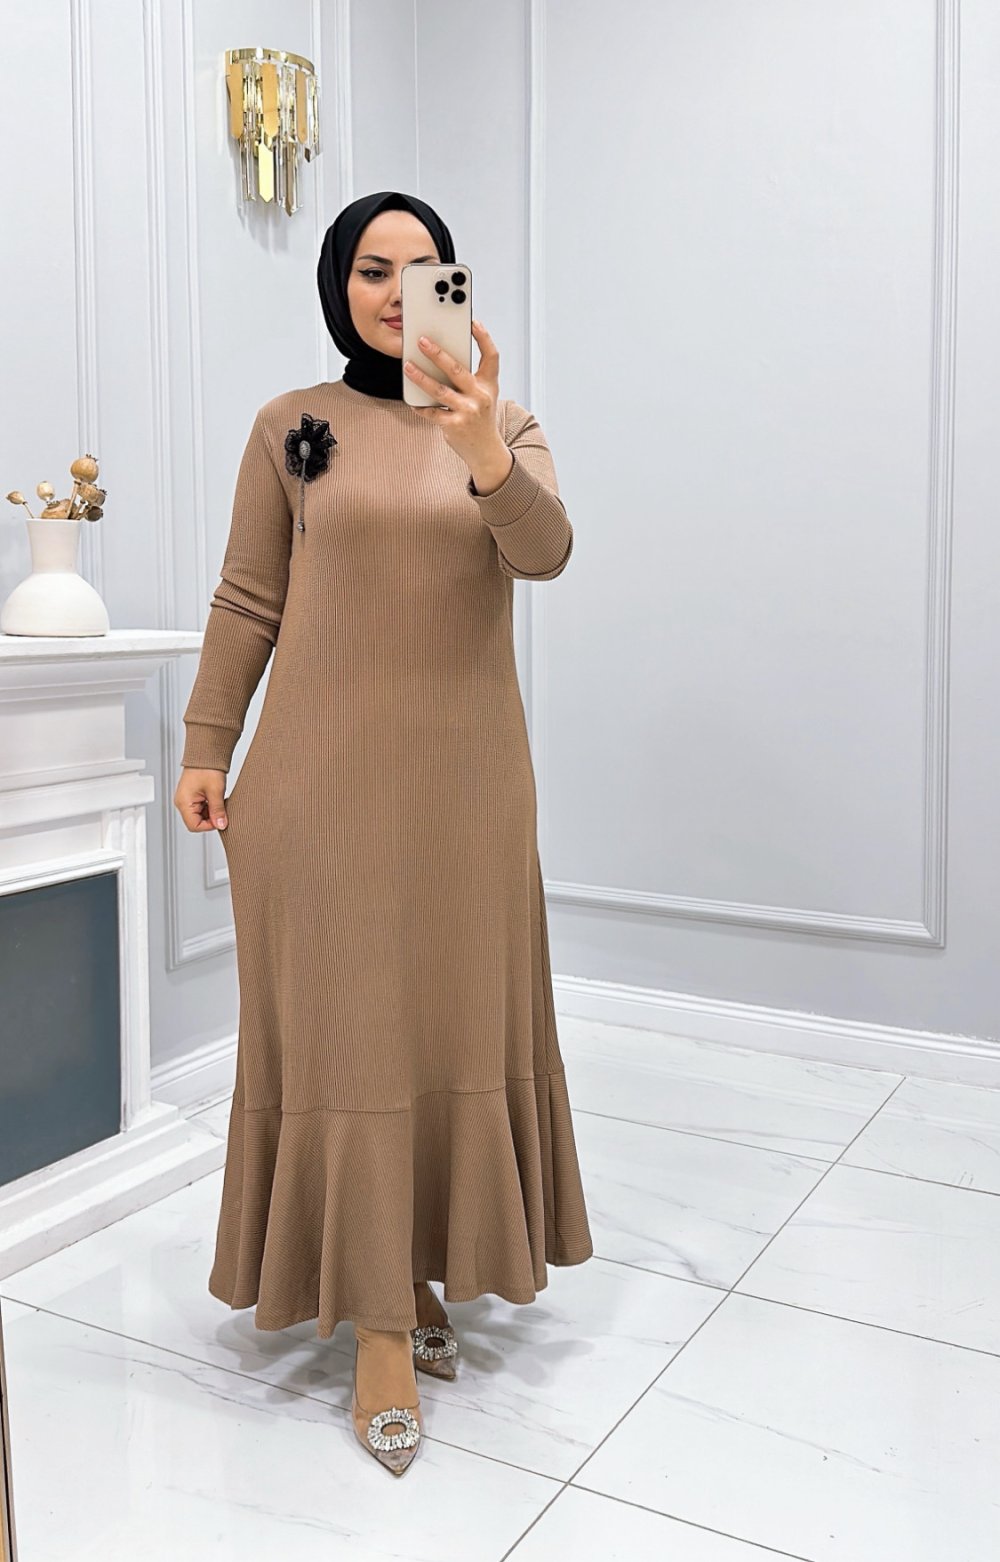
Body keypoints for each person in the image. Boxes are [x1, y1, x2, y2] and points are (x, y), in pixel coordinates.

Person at [173, 190, 594, 1475]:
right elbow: (250, 595)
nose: (397, 292)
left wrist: (480, 449)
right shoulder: (292, 427)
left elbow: (546, 554)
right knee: (352, 1032)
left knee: (449, 1026)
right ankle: (378, 1328)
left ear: (453, 287)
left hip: (469, 792)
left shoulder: (504, 423)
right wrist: (205, 740)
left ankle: (418, 1274)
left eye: (423, 269)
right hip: (319, 788)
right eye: (372, 268)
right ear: (337, 284)